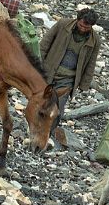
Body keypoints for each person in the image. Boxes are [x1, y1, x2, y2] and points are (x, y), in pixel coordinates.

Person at [41, 8, 101, 145]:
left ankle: (46, 136)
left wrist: (84, 84)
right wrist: (36, 64)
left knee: (57, 109)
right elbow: (45, 43)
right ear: (77, 20)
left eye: (87, 27)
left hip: (68, 80)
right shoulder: (62, 25)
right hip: (49, 72)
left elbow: (91, 63)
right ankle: (35, 128)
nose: (83, 29)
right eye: (81, 25)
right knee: (40, 103)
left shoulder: (95, 40)